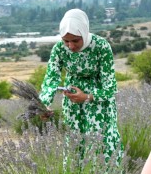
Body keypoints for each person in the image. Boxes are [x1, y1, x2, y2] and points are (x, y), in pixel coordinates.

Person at [39, 9, 122, 162]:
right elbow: (51, 79)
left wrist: (87, 97)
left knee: (100, 145)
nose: (70, 46)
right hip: (72, 104)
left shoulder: (101, 47)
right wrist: (44, 105)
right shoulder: (58, 49)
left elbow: (110, 88)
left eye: (75, 40)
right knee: (74, 145)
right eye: (66, 41)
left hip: (99, 104)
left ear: (84, 32)